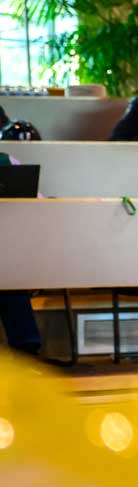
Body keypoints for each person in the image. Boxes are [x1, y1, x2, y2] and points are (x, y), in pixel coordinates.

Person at [0, 118, 43, 357]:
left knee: (8, 275)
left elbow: (38, 203)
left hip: (5, 250)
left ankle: (26, 351)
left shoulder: (8, 163)